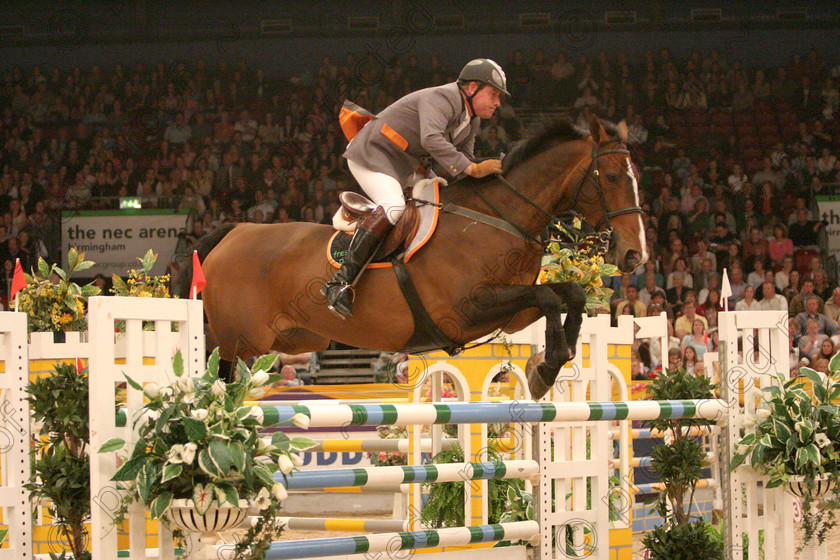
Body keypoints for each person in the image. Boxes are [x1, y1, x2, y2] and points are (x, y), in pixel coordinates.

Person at [323, 59, 508, 317]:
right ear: (473, 87)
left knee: (442, 199)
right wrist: (473, 169)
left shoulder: (471, 120)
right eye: (494, 94)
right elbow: (431, 139)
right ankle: (340, 283)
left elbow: (464, 163)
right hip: (373, 153)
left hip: (406, 165)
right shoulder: (442, 97)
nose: (498, 102)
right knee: (394, 205)